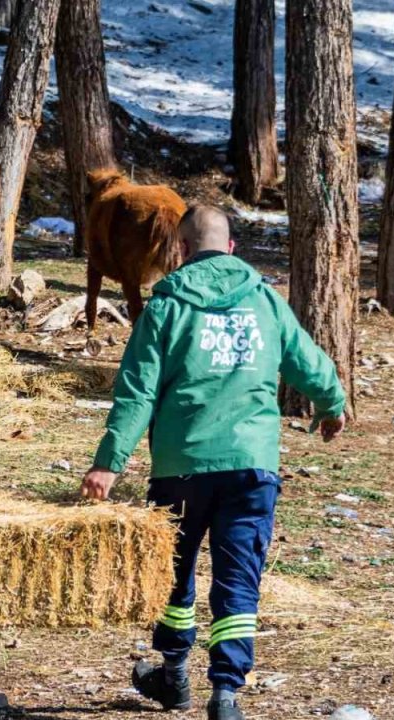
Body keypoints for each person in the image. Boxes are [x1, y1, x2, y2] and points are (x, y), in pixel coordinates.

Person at [80, 206, 346, 720]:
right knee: (238, 577)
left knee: (172, 573)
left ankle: (175, 675)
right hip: (252, 466)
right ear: (231, 248)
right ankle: (226, 693)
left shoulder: (165, 307)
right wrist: (332, 405)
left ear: (180, 250)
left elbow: (136, 394)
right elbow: (309, 363)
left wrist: (109, 463)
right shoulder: (265, 301)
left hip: (182, 467)